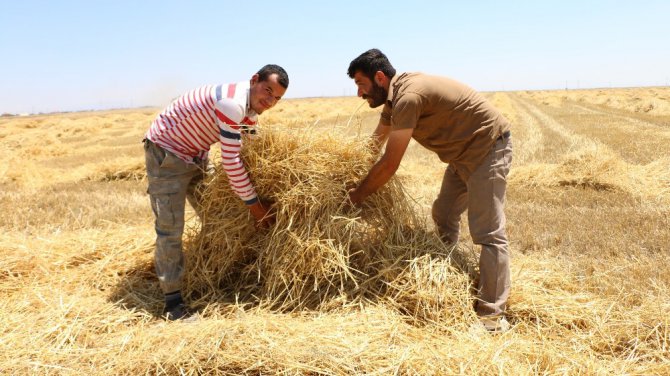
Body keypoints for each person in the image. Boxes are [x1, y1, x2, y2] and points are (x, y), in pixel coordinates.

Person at [346, 49, 513, 332]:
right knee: (444, 213)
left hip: (487, 148)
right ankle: (446, 276)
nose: (360, 93)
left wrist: (355, 197)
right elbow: (375, 143)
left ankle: (492, 317)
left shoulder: (409, 97)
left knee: (488, 232)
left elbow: (389, 163)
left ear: (379, 77)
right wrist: (347, 171)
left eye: (361, 85)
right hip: (461, 156)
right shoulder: (394, 97)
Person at [143, 64, 289, 320]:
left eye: (276, 98)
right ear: (254, 80)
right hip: (166, 153)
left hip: (196, 154)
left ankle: (209, 274)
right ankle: (173, 304)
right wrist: (256, 208)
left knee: (219, 216)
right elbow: (232, 161)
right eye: (267, 91)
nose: (270, 101)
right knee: (170, 228)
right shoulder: (232, 103)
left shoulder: (249, 108)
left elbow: (251, 148)